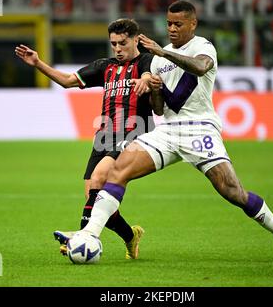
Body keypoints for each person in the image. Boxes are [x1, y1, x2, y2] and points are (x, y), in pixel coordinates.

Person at [79, 0, 273, 264]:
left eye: (178, 24)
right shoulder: (158, 58)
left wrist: (162, 54)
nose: (172, 29)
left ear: (193, 23)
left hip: (200, 128)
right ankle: (89, 235)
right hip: (168, 130)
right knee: (118, 170)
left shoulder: (202, 46)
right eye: (169, 24)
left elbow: (200, 67)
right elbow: (159, 109)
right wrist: (155, 89)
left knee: (232, 191)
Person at [15, 18, 164, 259]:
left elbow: (148, 75)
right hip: (105, 134)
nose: (117, 49)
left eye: (122, 43)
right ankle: (130, 236)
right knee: (93, 198)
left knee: (99, 178)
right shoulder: (105, 66)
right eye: (113, 44)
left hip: (135, 130)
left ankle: (82, 235)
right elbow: (67, 81)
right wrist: (37, 63)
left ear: (136, 39)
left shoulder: (146, 60)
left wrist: (146, 81)